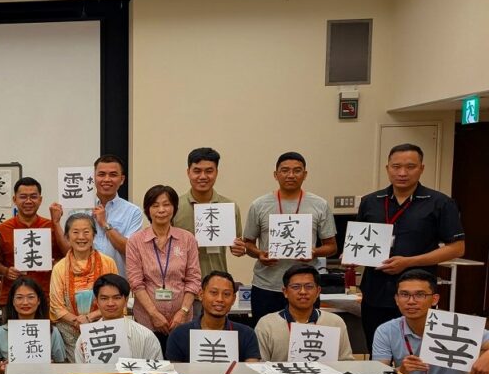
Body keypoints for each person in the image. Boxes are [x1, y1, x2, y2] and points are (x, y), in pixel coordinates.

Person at [356, 144, 465, 352]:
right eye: (396, 167)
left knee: (418, 352)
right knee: (377, 350)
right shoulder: (370, 201)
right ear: (387, 168)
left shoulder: (440, 202)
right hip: (376, 292)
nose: (402, 173)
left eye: (410, 167)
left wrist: (409, 262)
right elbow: (359, 241)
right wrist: (353, 256)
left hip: (418, 295)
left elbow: (457, 248)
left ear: (421, 168)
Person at [240, 152, 337, 321]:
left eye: (297, 170)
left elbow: (332, 247)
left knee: (304, 332)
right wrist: (259, 254)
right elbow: (247, 244)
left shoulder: (320, 205)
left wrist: (314, 252)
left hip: (304, 288)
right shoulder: (259, 205)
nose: (291, 175)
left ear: (305, 174)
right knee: (265, 332)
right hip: (267, 285)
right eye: (285, 170)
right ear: (275, 174)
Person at [127, 185, 202, 345]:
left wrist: (183, 312)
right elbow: (136, 282)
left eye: (166, 204)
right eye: (155, 205)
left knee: (180, 359)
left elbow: (193, 279)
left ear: (174, 208)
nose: (161, 210)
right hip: (147, 320)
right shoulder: (135, 241)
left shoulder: (187, 239)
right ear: (147, 210)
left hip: (181, 320)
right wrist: (154, 314)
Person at [49, 212, 119, 361]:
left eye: (86, 232)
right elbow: (56, 306)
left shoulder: (108, 263)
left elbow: (116, 299)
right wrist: (77, 321)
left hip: (103, 328)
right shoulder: (60, 268)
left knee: (104, 368)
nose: (81, 237)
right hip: (69, 332)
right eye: (75, 232)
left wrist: (89, 318)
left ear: (94, 235)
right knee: (76, 371)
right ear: (67, 236)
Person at [171, 147, 246, 284]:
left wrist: (240, 249)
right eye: (197, 171)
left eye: (209, 171)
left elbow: (237, 246)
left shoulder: (230, 207)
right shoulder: (174, 207)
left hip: (217, 284)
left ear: (217, 172)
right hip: (182, 284)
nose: (203, 176)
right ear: (188, 172)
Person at [0, 176, 68, 308]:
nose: (28, 201)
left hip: (47, 297)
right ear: (14, 199)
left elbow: (69, 256)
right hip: (12, 298)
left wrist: (55, 264)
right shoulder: (2, 229)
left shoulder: (51, 226)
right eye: (23, 197)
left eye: (33, 197)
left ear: (40, 200)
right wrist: (6, 271)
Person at [75, 274, 163, 363]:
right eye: (104, 298)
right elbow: (80, 368)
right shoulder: (84, 339)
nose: (110, 303)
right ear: (97, 302)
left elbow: (156, 369)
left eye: (117, 298)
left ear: (126, 300)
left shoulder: (146, 336)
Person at [90, 154, 143, 276]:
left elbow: (130, 250)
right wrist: (56, 223)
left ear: (122, 179)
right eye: (101, 174)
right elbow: (70, 248)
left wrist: (104, 224)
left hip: (118, 281)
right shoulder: (81, 209)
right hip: (85, 283)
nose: (107, 179)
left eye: (113, 175)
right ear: (94, 178)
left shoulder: (133, 212)